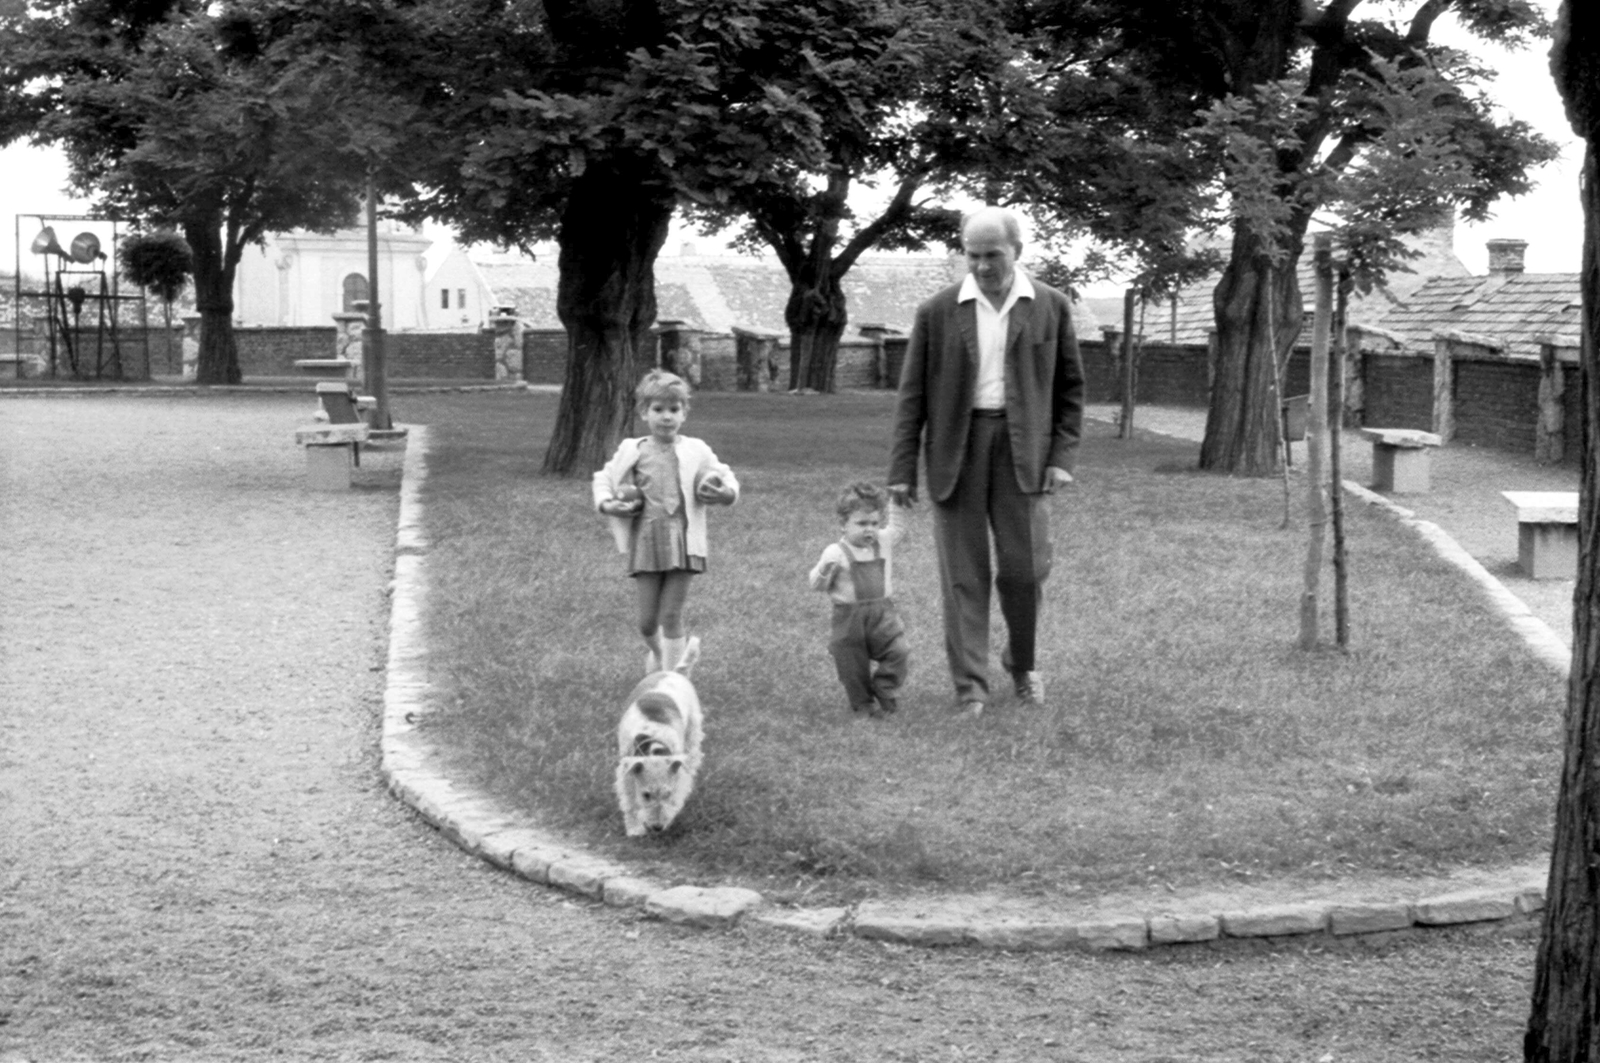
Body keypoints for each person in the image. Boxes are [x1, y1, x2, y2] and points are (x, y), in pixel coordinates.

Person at [887, 206, 1085, 716]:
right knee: (963, 576)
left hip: (1025, 453)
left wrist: (1062, 457)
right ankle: (970, 687)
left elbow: (1070, 390)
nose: (981, 266)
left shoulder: (1051, 306)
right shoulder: (937, 310)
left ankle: (1023, 665)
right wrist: (902, 470)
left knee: (1025, 570)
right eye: (971, 255)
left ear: (1017, 250)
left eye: (992, 254)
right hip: (956, 450)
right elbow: (911, 396)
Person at [593, 369, 738, 673]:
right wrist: (608, 504)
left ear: (684, 413)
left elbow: (725, 476)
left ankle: (672, 681)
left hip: (684, 542)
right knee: (647, 623)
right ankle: (662, 656)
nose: (666, 416)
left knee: (670, 615)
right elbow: (603, 478)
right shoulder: (632, 449)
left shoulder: (696, 449)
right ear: (644, 412)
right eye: (658, 409)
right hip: (646, 540)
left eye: (674, 409)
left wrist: (726, 493)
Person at [808, 482, 910, 718]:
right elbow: (816, 585)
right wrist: (824, 570)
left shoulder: (883, 541)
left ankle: (885, 687)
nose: (869, 530)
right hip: (849, 618)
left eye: (874, 523)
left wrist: (896, 499)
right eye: (862, 524)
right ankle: (863, 703)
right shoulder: (835, 552)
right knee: (852, 664)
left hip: (882, 615)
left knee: (899, 650)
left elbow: (898, 528)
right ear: (843, 524)